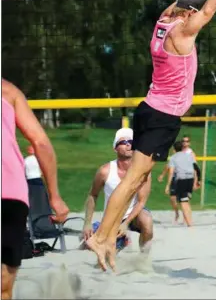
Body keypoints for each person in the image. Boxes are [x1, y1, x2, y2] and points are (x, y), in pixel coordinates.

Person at [86, 0, 216, 271]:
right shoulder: (185, 30)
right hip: (164, 115)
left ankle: (106, 235)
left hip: (149, 109)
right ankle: (101, 236)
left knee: (137, 179)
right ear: (191, 14)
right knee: (134, 179)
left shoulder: (164, 19)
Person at [1, 79, 69, 300]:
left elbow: (40, 144)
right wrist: (55, 196)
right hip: (10, 192)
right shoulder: (8, 90)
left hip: (9, 192)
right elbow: (41, 142)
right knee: (4, 284)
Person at [81, 128, 153, 253]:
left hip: (134, 215)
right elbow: (93, 195)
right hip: (112, 216)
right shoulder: (105, 171)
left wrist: (126, 224)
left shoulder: (143, 171)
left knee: (147, 221)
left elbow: (141, 202)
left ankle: (143, 257)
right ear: (115, 148)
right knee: (90, 247)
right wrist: (87, 223)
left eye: (131, 141)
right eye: (123, 142)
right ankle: (118, 240)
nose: (128, 144)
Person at [165, 141, 198, 227]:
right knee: (186, 201)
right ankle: (190, 221)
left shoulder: (173, 158)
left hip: (182, 180)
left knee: (183, 202)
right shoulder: (189, 156)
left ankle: (189, 224)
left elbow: (171, 172)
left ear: (174, 149)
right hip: (190, 179)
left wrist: (168, 185)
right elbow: (195, 168)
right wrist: (196, 181)